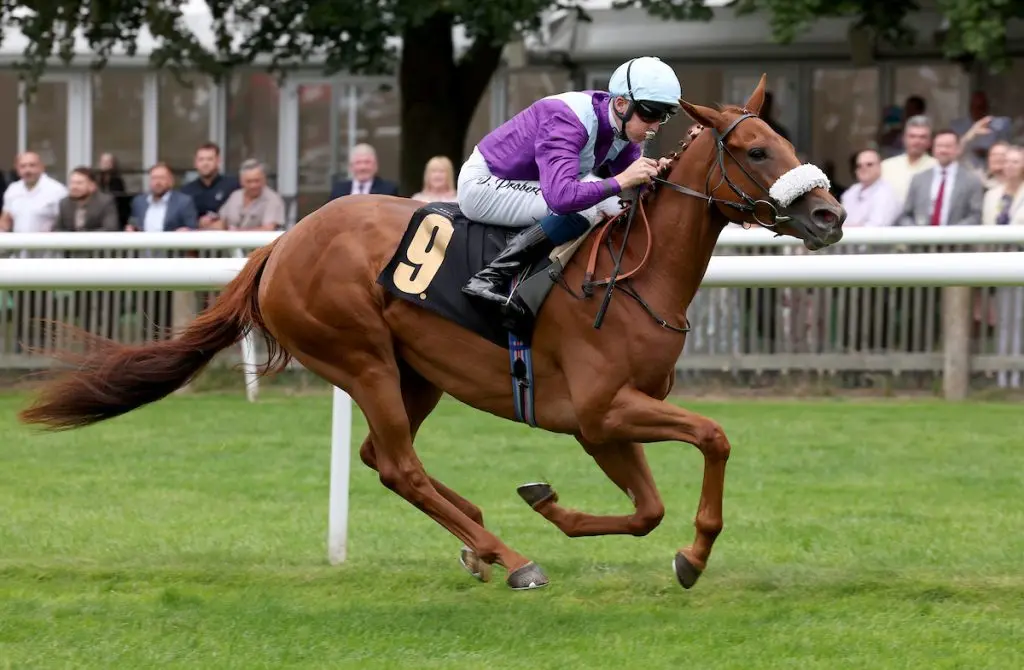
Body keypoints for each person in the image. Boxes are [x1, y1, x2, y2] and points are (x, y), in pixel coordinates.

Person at [457, 56, 681, 314]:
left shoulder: (621, 125)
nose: (654, 126)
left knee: (616, 204)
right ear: (621, 103)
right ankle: (488, 278)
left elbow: (640, 189)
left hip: (532, 183)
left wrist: (666, 173)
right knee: (584, 209)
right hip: (486, 184)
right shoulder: (567, 119)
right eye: (649, 112)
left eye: (663, 116)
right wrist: (621, 180)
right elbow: (561, 198)